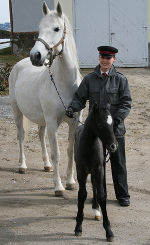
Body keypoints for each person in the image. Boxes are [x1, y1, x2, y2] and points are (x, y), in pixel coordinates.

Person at [66, 45, 132, 207]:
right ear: (99, 58)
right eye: (102, 57)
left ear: (113, 59)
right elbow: (80, 98)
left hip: (115, 130)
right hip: (95, 132)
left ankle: (122, 195)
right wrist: (72, 108)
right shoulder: (89, 79)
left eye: (108, 58)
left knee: (118, 162)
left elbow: (126, 103)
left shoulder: (120, 79)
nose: (105, 60)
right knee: (97, 164)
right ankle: (99, 194)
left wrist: (115, 120)